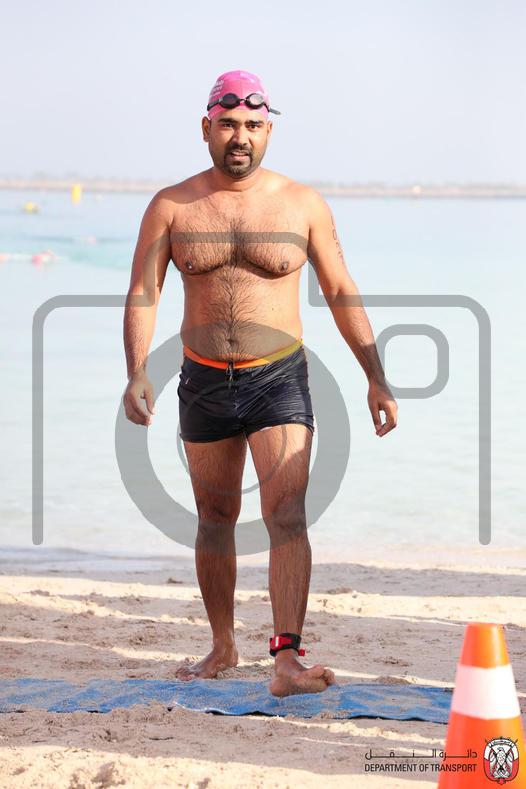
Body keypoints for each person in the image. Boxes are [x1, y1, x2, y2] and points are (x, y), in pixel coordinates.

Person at [123, 70, 397, 697]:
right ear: (206, 129)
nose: (239, 137)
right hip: (202, 378)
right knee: (215, 516)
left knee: (287, 515)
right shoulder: (172, 206)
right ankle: (222, 645)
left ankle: (287, 659)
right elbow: (144, 291)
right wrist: (136, 369)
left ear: (268, 130)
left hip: (278, 378)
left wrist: (375, 376)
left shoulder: (302, 205)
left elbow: (340, 289)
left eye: (252, 125)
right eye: (227, 125)